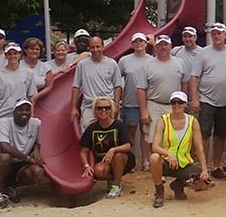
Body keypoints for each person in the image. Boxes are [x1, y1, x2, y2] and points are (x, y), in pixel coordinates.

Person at [190, 22, 226, 180]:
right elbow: (194, 77)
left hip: (225, 102)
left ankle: (216, 166)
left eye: (219, 33)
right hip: (206, 100)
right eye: (214, 33)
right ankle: (203, 167)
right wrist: (194, 99)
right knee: (204, 135)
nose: (217, 36)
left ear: (225, 35)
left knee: (220, 135)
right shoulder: (203, 53)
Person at [148, 91, 210, 207]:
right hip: (166, 162)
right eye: (174, 102)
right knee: (154, 158)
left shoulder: (192, 122)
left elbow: (199, 148)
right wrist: (169, 155)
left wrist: (205, 170)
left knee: (203, 182)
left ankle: (178, 185)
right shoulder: (163, 121)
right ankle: (160, 191)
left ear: (185, 104)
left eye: (180, 102)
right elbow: (155, 146)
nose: (176, 105)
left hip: (184, 162)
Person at [139, 35, 189, 172]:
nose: (163, 47)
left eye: (165, 44)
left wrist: (184, 102)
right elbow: (141, 89)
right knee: (152, 137)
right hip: (154, 104)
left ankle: (170, 163)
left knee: (172, 136)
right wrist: (143, 111)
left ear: (170, 46)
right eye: (160, 44)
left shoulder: (179, 62)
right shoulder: (148, 64)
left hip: (175, 105)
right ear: (156, 46)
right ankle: (154, 164)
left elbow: (185, 83)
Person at [0, 99, 45, 209]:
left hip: (21, 164)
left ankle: (9, 187)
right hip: (0, 164)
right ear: (13, 112)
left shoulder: (36, 123)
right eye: (20, 110)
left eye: (27, 110)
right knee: (5, 157)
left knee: (38, 172)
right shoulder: (4, 123)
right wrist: (27, 158)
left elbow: (37, 142)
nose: (24, 113)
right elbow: (4, 146)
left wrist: (37, 151)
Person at [80, 97, 135, 198]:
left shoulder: (119, 125)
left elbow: (128, 145)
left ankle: (117, 186)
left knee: (117, 156)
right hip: (104, 161)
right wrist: (86, 166)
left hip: (123, 159)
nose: (103, 110)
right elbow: (83, 150)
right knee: (98, 171)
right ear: (95, 110)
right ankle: (113, 179)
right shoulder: (92, 128)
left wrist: (113, 150)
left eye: (107, 108)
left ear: (111, 109)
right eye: (100, 108)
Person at [71, 36, 122, 132]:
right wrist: (73, 108)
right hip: (89, 106)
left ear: (103, 47)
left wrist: (116, 105)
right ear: (89, 48)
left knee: (112, 134)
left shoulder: (112, 64)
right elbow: (76, 87)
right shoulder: (82, 65)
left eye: (98, 46)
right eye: (92, 47)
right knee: (87, 134)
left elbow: (117, 86)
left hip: (108, 106)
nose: (95, 50)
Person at [119, 33, 153, 169]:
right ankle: (130, 162)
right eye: (136, 41)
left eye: (141, 41)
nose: (139, 44)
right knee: (130, 133)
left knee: (146, 133)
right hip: (130, 103)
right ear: (132, 44)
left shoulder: (152, 60)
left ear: (146, 43)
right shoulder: (124, 61)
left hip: (148, 103)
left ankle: (146, 161)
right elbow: (116, 80)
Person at [21, 38, 54, 104]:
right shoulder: (17, 66)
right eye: (31, 49)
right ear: (25, 50)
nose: (34, 51)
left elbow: (49, 86)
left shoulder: (46, 67)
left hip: (41, 101)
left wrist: (36, 96)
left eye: (37, 49)